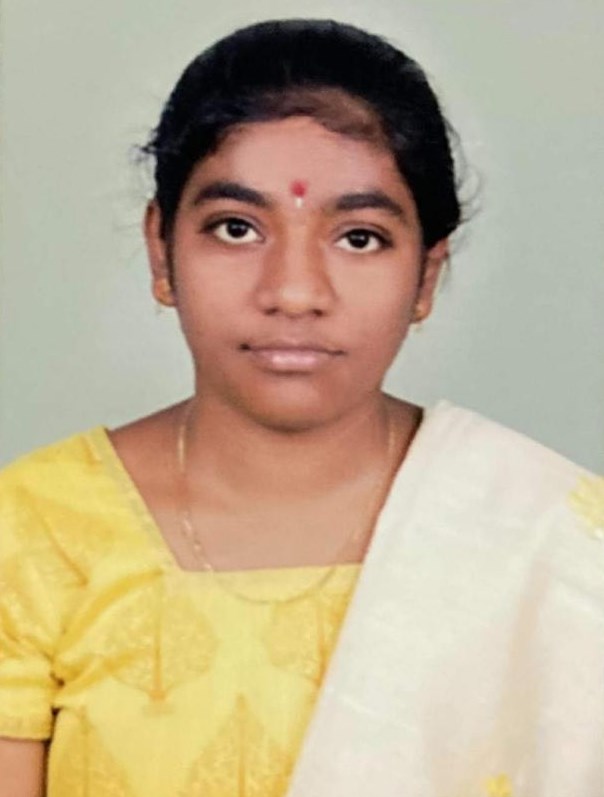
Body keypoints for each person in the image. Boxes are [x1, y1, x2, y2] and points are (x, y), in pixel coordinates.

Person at [0, 18, 602, 797]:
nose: (293, 291)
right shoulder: (34, 532)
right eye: (237, 228)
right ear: (161, 249)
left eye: (359, 238)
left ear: (425, 276)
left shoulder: (556, 539)